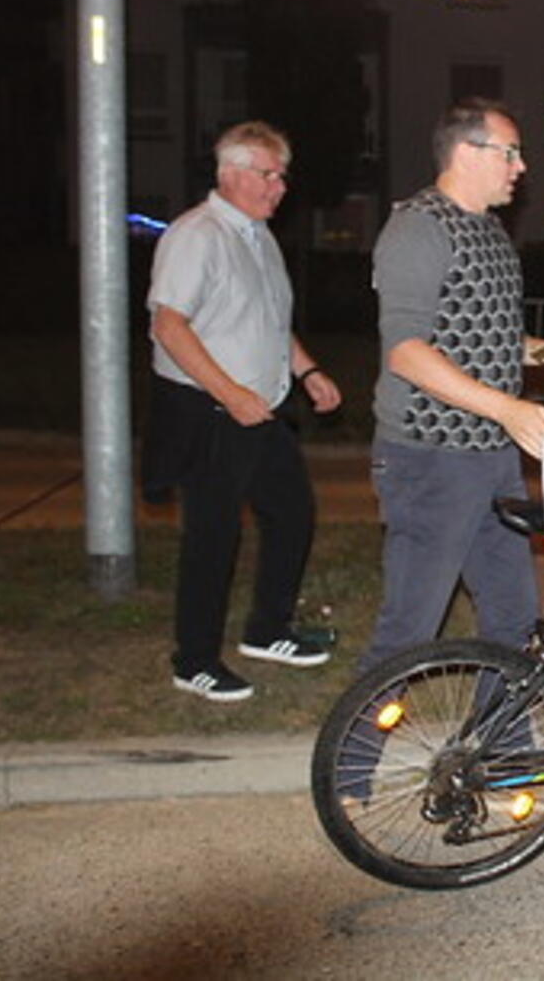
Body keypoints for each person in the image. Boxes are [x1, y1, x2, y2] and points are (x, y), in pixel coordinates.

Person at [360, 99, 544, 673]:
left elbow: (479, 333)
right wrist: (508, 408)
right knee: (409, 632)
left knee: (514, 623)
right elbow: (407, 352)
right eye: (510, 153)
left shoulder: (489, 230)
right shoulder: (418, 228)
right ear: (466, 152)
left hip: (491, 454)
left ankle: (498, 732)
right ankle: (357, 736)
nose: (521, 167)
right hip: (431, 458)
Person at [145, 120, 342, 702]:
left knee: (293, 511)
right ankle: (194, 660)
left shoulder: (259, 237)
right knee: (213, 536)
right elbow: (169, 327)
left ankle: (267, 630)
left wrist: (308, 372)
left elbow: (270, 324)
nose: (279, 187)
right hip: (209, 410)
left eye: (282, 176)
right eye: (268, 175)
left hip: (261, 409)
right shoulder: (196, 235)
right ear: (230, 173)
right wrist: (230, 393)